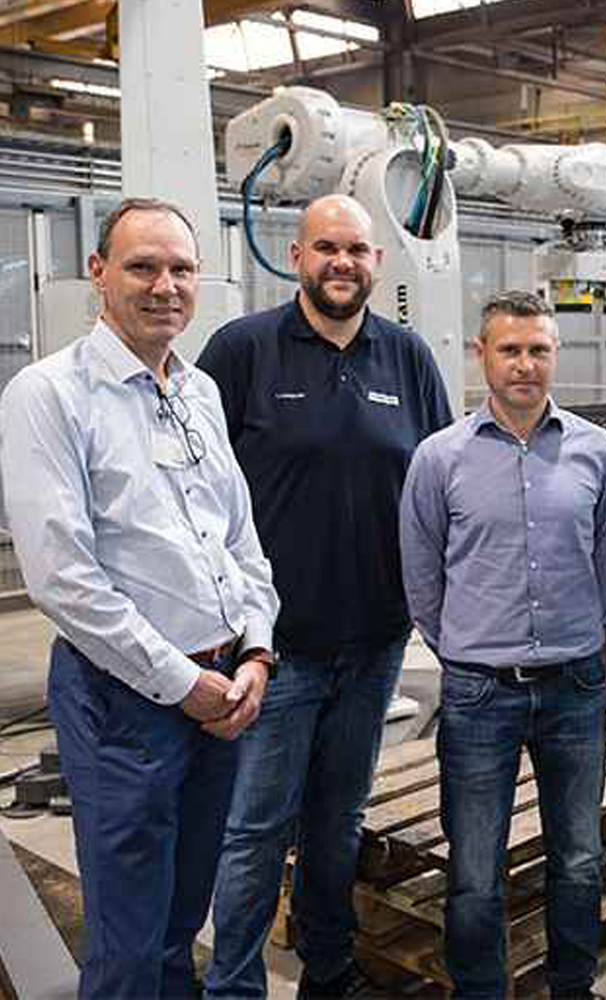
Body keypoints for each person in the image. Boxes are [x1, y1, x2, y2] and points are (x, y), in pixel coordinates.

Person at [0, 197, 278, 1000]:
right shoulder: (49, 394)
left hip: (223, 688)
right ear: (98, 273)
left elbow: (240, 541)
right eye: (143, 267)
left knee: (182, 925)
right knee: (127, 942)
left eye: (181, 269)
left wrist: (258, 650)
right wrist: (183, 683)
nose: (165, 286)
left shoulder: (199, 393)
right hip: (123, 703)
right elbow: (62, 577)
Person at [199, 193, 453, 999]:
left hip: (375, 641)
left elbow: (440, 483)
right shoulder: (243, 351)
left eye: (356, 250)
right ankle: (234, 986)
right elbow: (196, 490)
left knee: (338, 821)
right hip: (274, 649)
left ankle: (330, 970)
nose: (342, 263)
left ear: (376, 262)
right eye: (326, 248)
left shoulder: (407, 357)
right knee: (254, 830)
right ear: (297, 257)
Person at [399, 290, 606, 1000]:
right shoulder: (440, 458)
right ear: (482, 356)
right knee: (474, 871)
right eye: (509, 350)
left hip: (573, 686)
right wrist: (463, 647)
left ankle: (573, 986)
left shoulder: (599, 453)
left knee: (578, 858)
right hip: (478, 691)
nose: (524, 365)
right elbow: (421, 573)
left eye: (537, 350)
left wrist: (575, 634)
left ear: (556, 354)